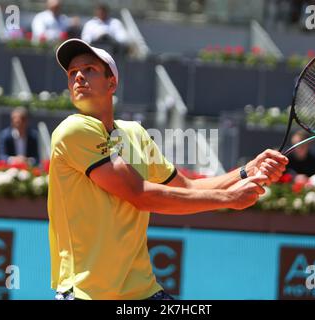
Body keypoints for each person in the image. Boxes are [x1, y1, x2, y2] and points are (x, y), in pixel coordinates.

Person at [48, 38, 289, 300]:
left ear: (112, 83)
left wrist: (246, 171)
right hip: (85, 293)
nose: (79, 77)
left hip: (142, 291)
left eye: (89, 70)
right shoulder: (73, 130)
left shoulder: (134, 133)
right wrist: (228, 198)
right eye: (73, 73)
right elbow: (139, 194)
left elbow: (186, 187)